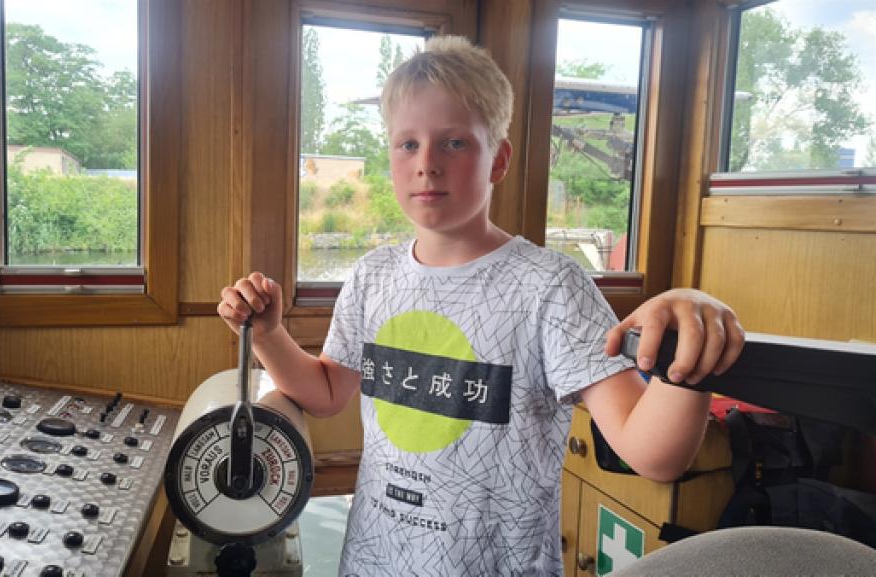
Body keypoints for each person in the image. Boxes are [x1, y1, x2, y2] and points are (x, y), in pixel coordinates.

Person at [218, 36, 744, 577]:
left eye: (454, 143)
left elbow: (654, 454)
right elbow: (327, 392)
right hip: (373, 562)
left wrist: (689, 328)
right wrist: (268, 334)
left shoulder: (549, 286)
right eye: (407, 144)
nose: (427, 164)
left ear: (499, 159)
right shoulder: (371, 276)